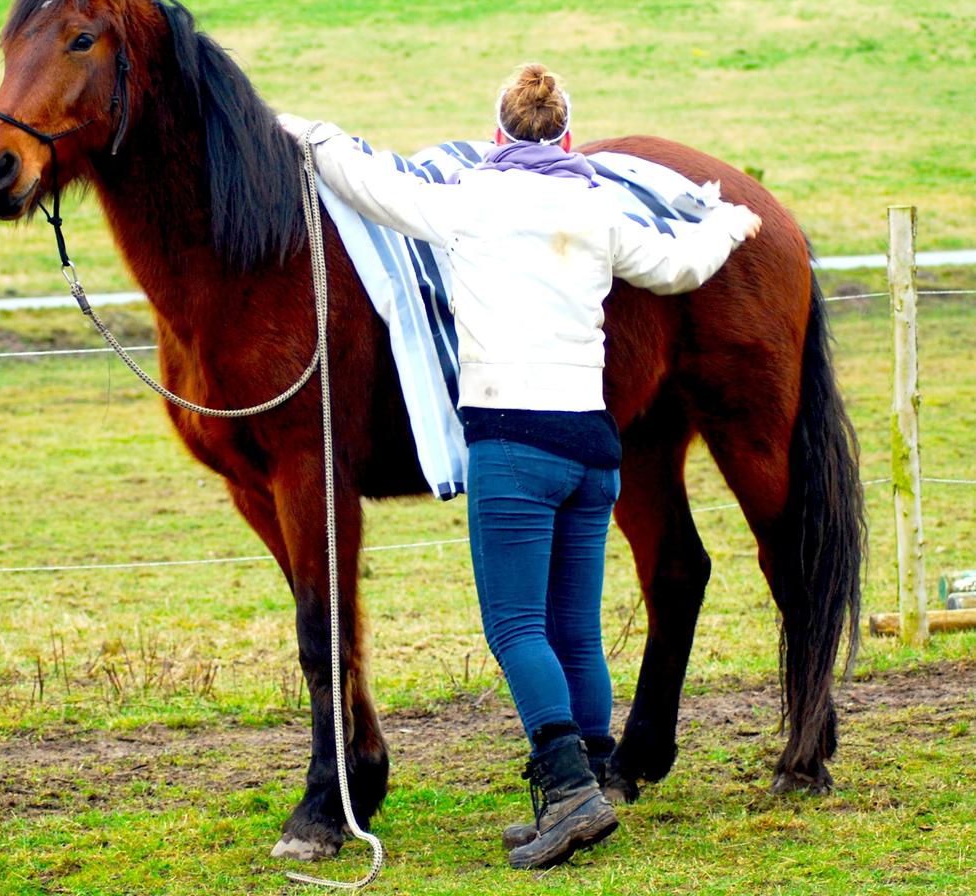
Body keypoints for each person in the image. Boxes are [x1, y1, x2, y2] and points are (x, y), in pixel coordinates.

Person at [278, 64, 761, 871]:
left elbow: (364, 181)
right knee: (575, 627)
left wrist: (302, 130)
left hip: (513, 444)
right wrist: (732, 223)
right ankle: (594, 780)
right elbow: (678, 267)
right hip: (593, 448)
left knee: (514, 627)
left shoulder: (468, 201)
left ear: (496, 136)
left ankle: (568, 789)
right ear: (570, 138)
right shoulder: (599, 208)